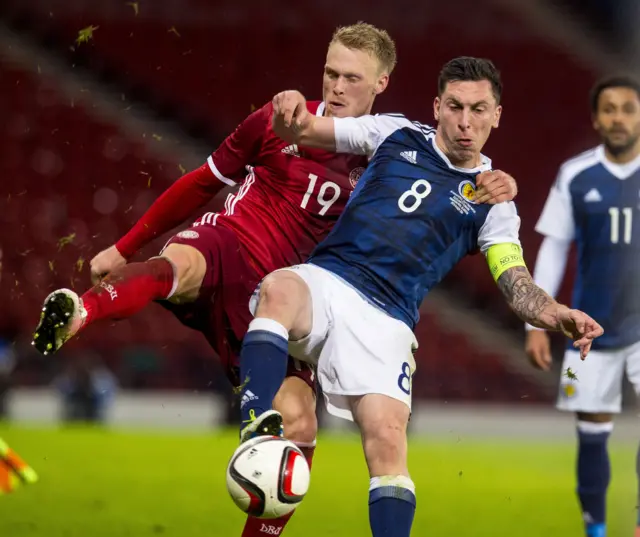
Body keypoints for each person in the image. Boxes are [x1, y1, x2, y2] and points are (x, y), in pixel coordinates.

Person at [32, 24, 514, 536]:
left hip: (290, 302)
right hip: (237, 247)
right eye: (330, 73)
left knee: (301, 424)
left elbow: (446, 161)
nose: (336, 87)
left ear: (381, 84)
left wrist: (497, 178)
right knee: (182, 267)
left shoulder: (387, 148)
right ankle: (80, 313)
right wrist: (121, 247)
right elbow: (203, 181)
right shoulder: (280, 120)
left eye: (352, 78)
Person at [235, 57, 604, 537]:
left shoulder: (494, 204)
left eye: (478, 109)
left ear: (497, 115)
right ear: (436, 106)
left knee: (387, 447)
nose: (465, 121)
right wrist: (291, 113)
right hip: (330, 280)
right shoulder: (395, 134)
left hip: (388, 322)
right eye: (454, 106)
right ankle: (254, 429)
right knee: (280, 287)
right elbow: (310, 130)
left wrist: (555, 314)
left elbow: (516, 283)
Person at [525, 75, 640, 537]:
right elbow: (554, 247)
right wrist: (536, 322)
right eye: (609, 109)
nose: (618, 117)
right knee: (592, 434)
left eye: (628, 109)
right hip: (589, 330)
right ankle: (595, 530)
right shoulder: (576, 174)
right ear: (595, 119)